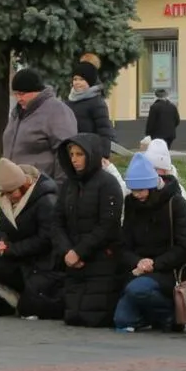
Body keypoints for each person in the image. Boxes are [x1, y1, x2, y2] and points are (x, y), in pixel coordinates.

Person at [112, 154, 186, 333]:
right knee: (122, 320)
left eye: (141, 190)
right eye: (133, 190)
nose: (137, 195)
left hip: (168, 269)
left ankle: (170, 315)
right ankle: (157, 317)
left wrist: (155, 264)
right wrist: (138, 261)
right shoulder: (131, 203)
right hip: (140, 268)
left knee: (137, 290)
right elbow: (123, 243)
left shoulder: (176, 203)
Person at [49, 135, 124, 327]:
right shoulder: (69, 185)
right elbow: (57, 221)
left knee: (93, 316)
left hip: (99, 259)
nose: (74, 159)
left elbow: (108, 225)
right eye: (71, 154)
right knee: (74, 316)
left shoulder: (108, 184)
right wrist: (67, 251)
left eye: (79, 154)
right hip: (74, 261)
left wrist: (79, 251)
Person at [0, 157, 64, 319]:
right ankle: (27, 295)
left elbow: (46, 240)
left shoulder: (46, 201)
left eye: (12, 192)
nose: (10, 197)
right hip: (23, 258)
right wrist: (3, 241)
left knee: (28, 307)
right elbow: (4, 228)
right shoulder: (5, 200)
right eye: (5, 193)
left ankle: (33, 297)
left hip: (45, 262)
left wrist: (11, 250)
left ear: (24, 186)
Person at [2, 68, 77, 179]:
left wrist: (59, 188)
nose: (18, 98)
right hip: (16, 187)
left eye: (22, 94)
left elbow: (66, 150)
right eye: (16, 94)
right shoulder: (17, 112)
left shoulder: (57, 111)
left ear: (37, 91)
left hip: (42, 187)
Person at [69, 61, 115, 144]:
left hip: (90, 151)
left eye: (82, 79)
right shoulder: (69, 101)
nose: (77, 82)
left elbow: (104, 131)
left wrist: (104, 154)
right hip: (71, 150)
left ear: (90, 81)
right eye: (75, 79)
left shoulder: (97, 103)